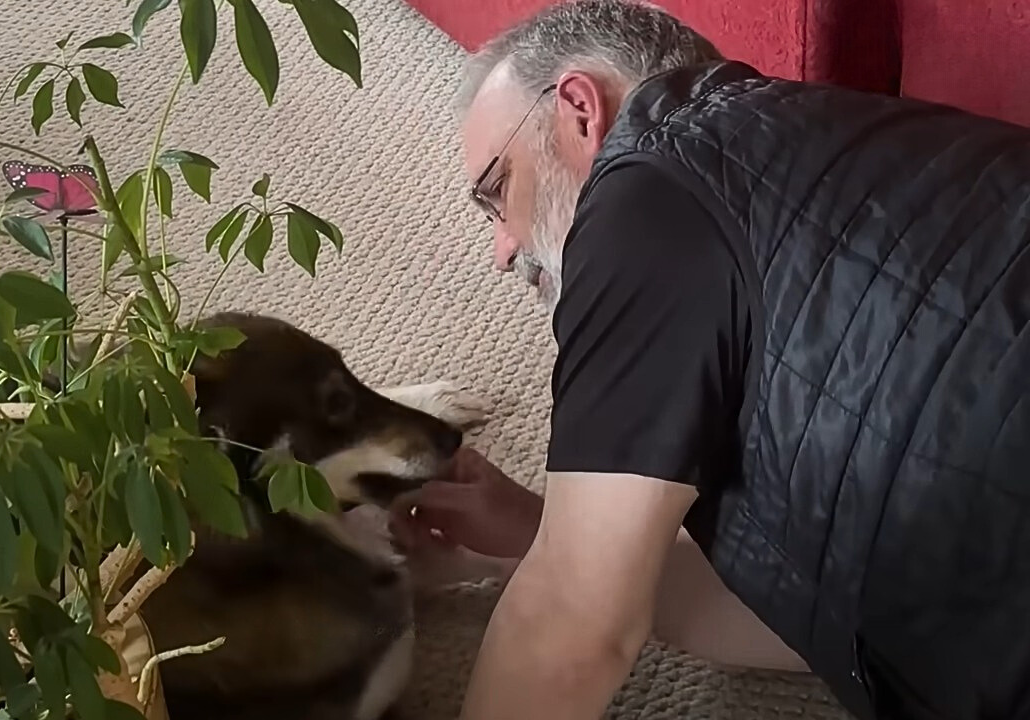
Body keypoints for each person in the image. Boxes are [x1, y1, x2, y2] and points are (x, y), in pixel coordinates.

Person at [386, 1, 1030, 719]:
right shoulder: (813, 196)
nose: (503, 250)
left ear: (578, 109)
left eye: (494, 192)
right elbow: (813, 626)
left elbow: (571, 629)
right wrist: (546, 533)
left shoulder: (656, 172)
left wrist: (564, 582)